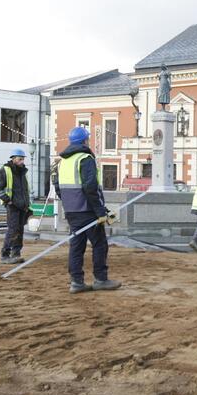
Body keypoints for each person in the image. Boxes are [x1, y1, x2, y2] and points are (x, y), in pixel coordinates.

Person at [53, 126, 121, 294]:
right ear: (85, 140)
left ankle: (76, 282)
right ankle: (101, 279)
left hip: (71, 211)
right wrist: (100, 212)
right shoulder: (85, 158)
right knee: (99, 244)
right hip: (87, 211)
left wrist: (70, 203)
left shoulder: (63, 162)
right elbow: (90, 187)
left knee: (76, 246)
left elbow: (58, 187)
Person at [0, 148, 31, 264]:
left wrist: (27, 205)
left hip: (22, 207)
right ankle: (5, 254)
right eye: (20, 159)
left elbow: (25, 190)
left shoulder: (22, 172)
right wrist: (7, 200)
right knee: (13, 230)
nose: (22, 162)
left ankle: (16, 254)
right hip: (12, 206)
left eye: (23, 159)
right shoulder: (5, 170)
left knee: (20, 230)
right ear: (13, 159)